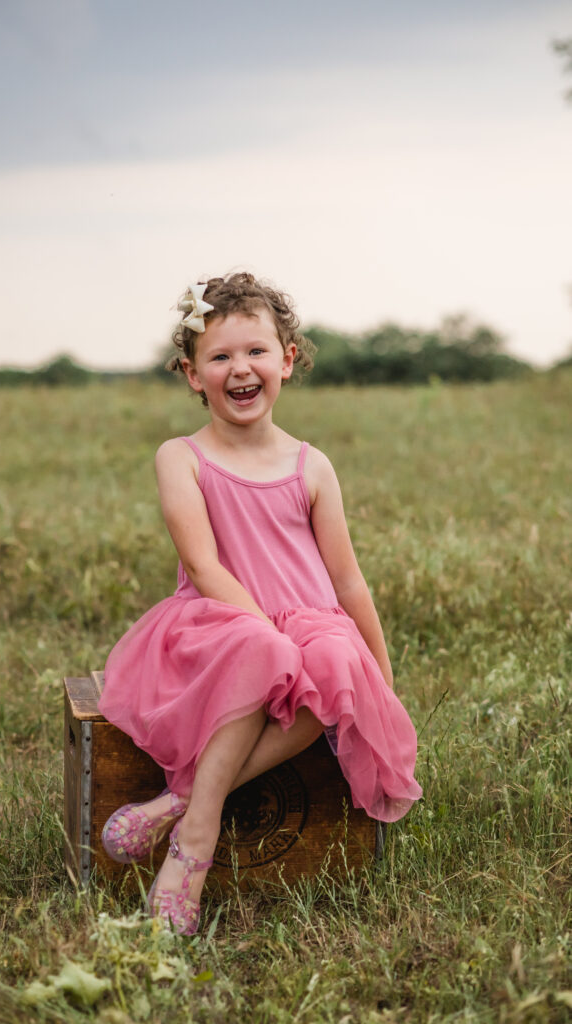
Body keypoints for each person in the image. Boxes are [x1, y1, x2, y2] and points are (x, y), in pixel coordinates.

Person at [98, 272, 422, 935]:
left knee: (331, 658)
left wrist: (380, 678)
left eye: (255, 352)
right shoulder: (181, 457)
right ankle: (194, 847)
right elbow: (201, 563)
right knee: (267, 649)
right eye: (218, 357)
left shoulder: (311, 465)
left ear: (287, 360)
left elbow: (347, 580)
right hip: (218, 624)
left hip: (310, 625)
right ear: (192, 375)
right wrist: (263, 629)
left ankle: (179, 805)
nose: (239, 369)